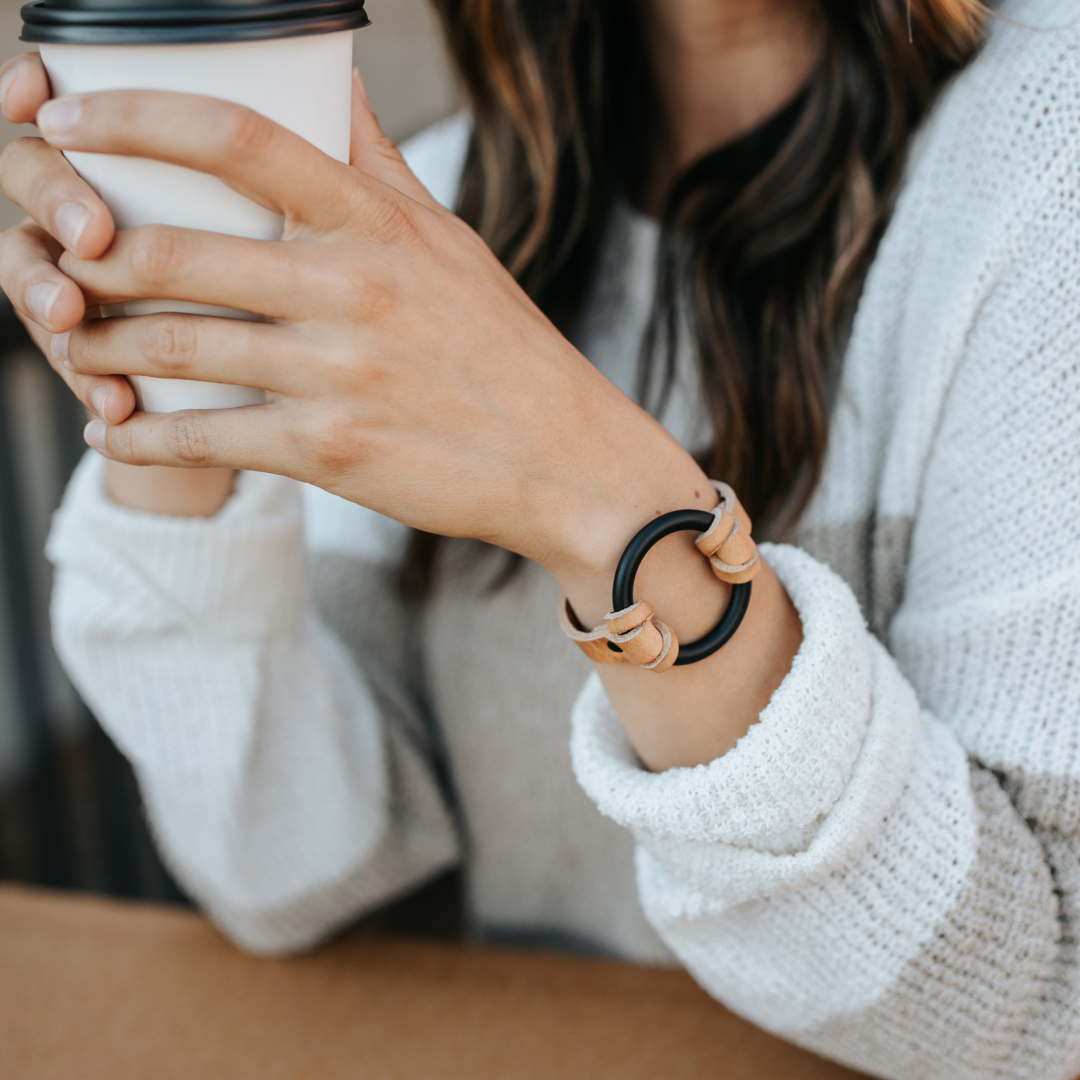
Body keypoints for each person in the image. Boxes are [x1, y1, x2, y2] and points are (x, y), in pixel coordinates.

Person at [0, 0, 1078, 1074]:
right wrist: (164, 391)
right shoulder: (427, 213)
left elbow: (1041, 1005)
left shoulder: (1047, 149)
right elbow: (298, 874)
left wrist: (599, 501)